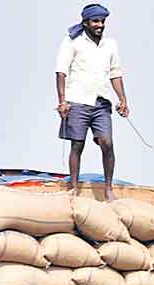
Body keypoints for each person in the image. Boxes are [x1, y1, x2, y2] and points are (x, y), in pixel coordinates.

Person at [55, 4, 128, 200]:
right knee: (77, 145)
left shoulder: (110, 44)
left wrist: (122, 99)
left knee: (107, 142)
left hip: (101, 102)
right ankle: (74, 188)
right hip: (77, 101)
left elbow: (115, 73)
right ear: (86, 22)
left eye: (102, 21)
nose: (100, 25)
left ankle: (108, 189)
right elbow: (61, 72)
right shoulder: (72, 41)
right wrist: (62, 101)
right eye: (96, 21)